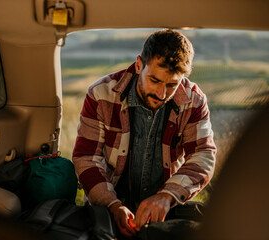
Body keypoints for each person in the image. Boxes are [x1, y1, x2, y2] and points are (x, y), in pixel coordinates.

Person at [72, 29, 216, 237]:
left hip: (166, 211)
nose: (162, 94)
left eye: (172, 85)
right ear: (139, 65)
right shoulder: (100, 94)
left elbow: (203, 155)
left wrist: (167, 195)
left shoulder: (194, 101)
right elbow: (86, 157)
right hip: (106, 211)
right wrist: (112, 205)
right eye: (155, 81)